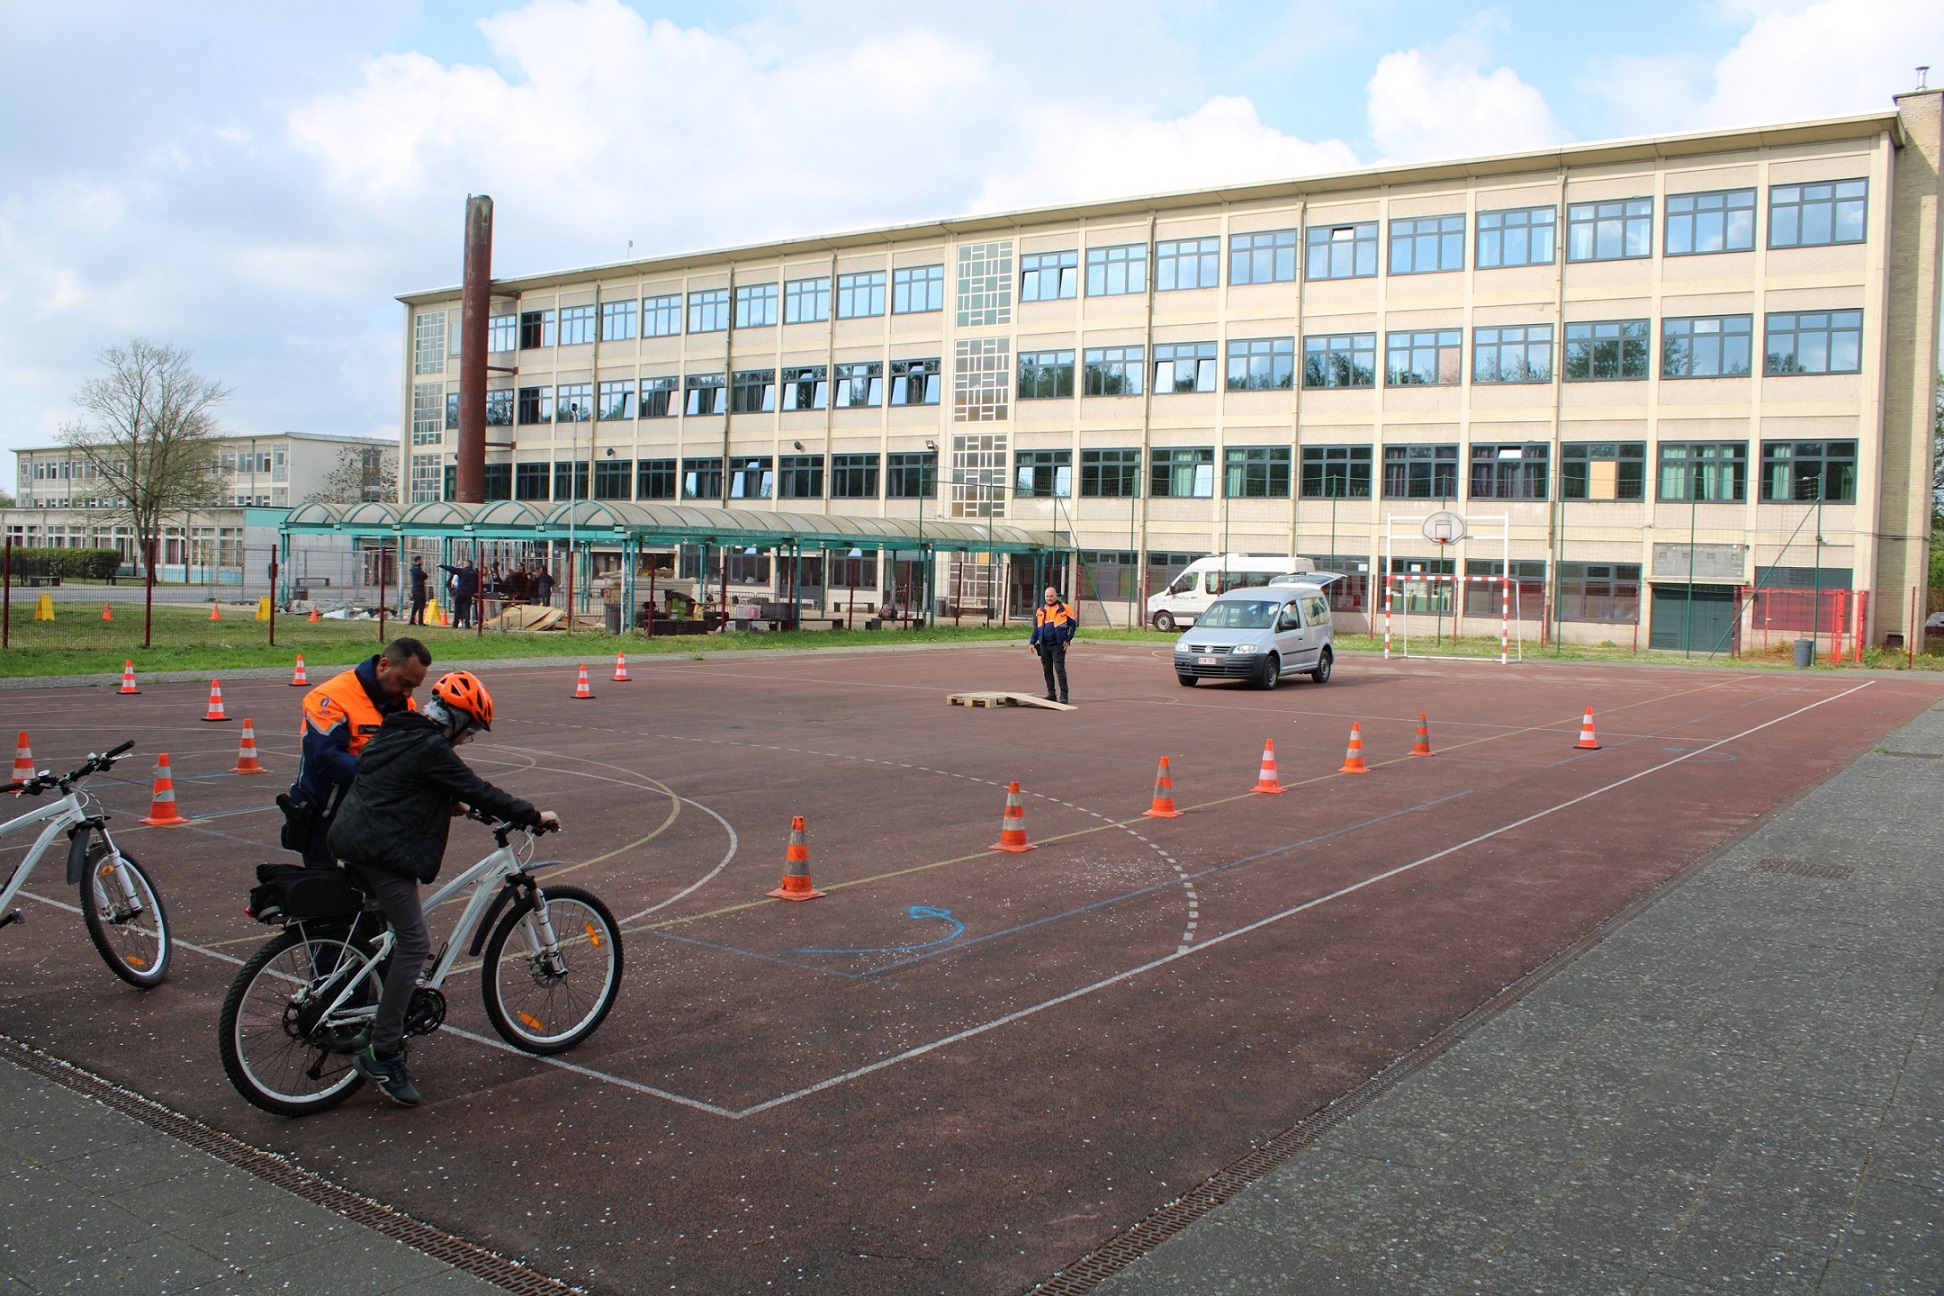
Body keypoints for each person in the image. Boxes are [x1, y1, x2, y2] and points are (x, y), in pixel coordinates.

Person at [326, 671, 559, 1108]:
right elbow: (478, 788)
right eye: (469, 731)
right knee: (415, 944)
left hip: (350, 838)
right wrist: (532, 815)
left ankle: (377, 1020)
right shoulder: (433, 748)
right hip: (381, 852)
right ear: (453, 719)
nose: (467, 739)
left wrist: (444, 799)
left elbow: (398, 774)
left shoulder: (398, 727)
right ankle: (384, 1052)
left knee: (393, 938)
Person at [286, 638, 430, 868]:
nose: (408, 692)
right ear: (384, 665)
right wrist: (389, 778)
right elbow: (329, 759)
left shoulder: (404, 704)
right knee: (330, 894)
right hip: (326, 817)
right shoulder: (329, 698)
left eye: (414, 686)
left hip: (372, 816)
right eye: (404, 682)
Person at [1029, 585, 1076, 704]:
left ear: (1056, 596)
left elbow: (1073, 625)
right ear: (1045, 597)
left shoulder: (1065, 609)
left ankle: (1064, 695)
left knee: (1059, 669)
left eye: (1051, 596)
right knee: (1047, 669)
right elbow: (1037, 628)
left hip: (1058, 645)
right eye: (1047, 596)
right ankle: (1051, 693)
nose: (1049, 598)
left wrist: (1067, 639)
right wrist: (1032, 642)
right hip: (1044, 645)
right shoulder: (1040, 610)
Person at [439, 557, 478, 629]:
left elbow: (451, 568)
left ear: (466, 564)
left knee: (458, 607)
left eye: (463, 564)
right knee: (467, 608)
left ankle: (455, 623)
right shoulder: (474, 573)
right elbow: (477, 583)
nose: (462, 565)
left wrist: (441, 565)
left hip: (461, 592)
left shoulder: (463, 571)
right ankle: (467, 624)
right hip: (469, 593)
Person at [407, 557, 429, 626]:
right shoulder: (417, 569)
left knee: (415, 605)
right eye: (422, 560)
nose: (423, 562)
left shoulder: (413, 568)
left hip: (416, 589)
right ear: (418, 560)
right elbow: (425, 576)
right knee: (421, 605)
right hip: (419, 589)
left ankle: (412, 620)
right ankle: (420, 621)